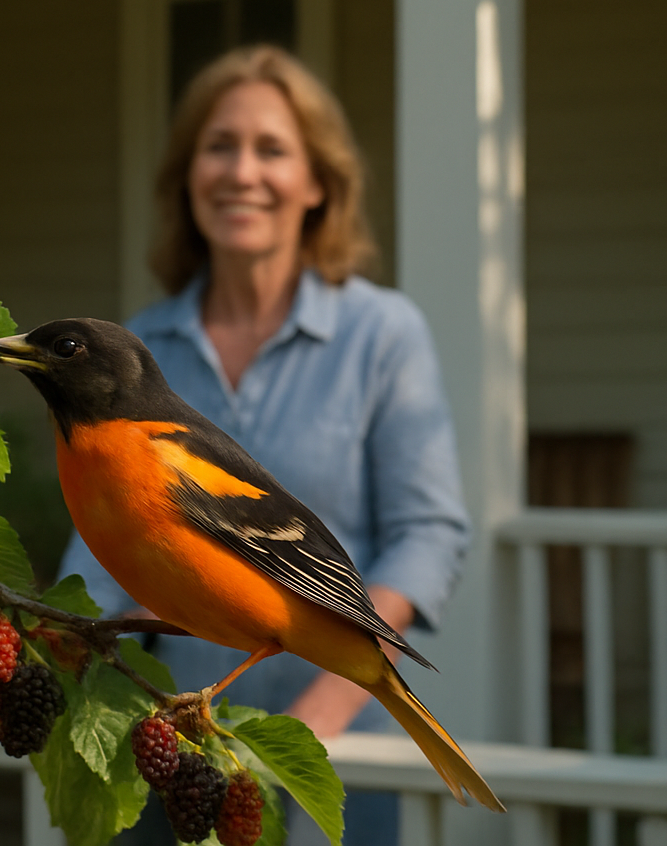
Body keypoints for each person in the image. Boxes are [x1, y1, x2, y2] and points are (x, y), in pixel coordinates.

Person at [58, 45, 470, 845]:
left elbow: (429, 535)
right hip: (173, 738)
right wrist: (66, 632)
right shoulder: (132, 349)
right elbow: (99, 532)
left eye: (272, 149)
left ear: (320, 183)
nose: (242, 172)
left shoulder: (381, 335)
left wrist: (322, 712)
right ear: (187, 176)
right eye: (219, 147)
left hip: (336, 750)